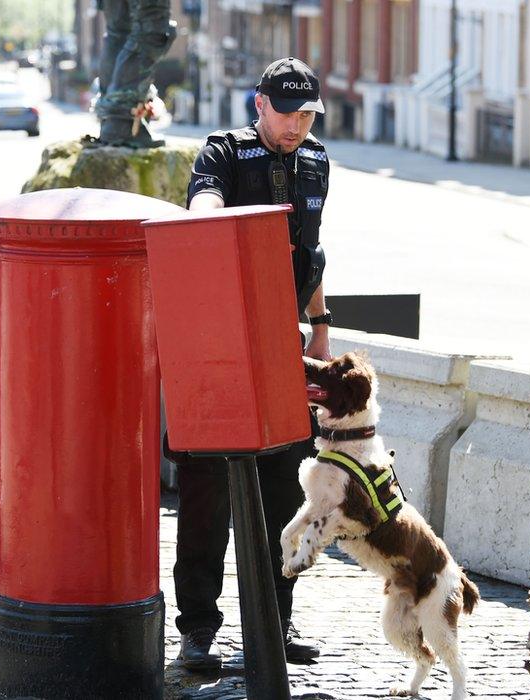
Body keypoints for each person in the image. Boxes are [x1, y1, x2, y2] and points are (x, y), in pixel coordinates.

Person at [172, 57, 334, 672]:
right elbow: (202, 207)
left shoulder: (316, 160)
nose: (296, 126)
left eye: (306, 115)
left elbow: (314, 253)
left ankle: (274, 623)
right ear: (259, 104)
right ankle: (199, 632)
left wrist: (319, 328)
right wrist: (223, 227)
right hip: (216, 346)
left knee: (284, 492)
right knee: (207, 491)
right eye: (287, 112)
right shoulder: (223, 152)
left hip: (280, 347)